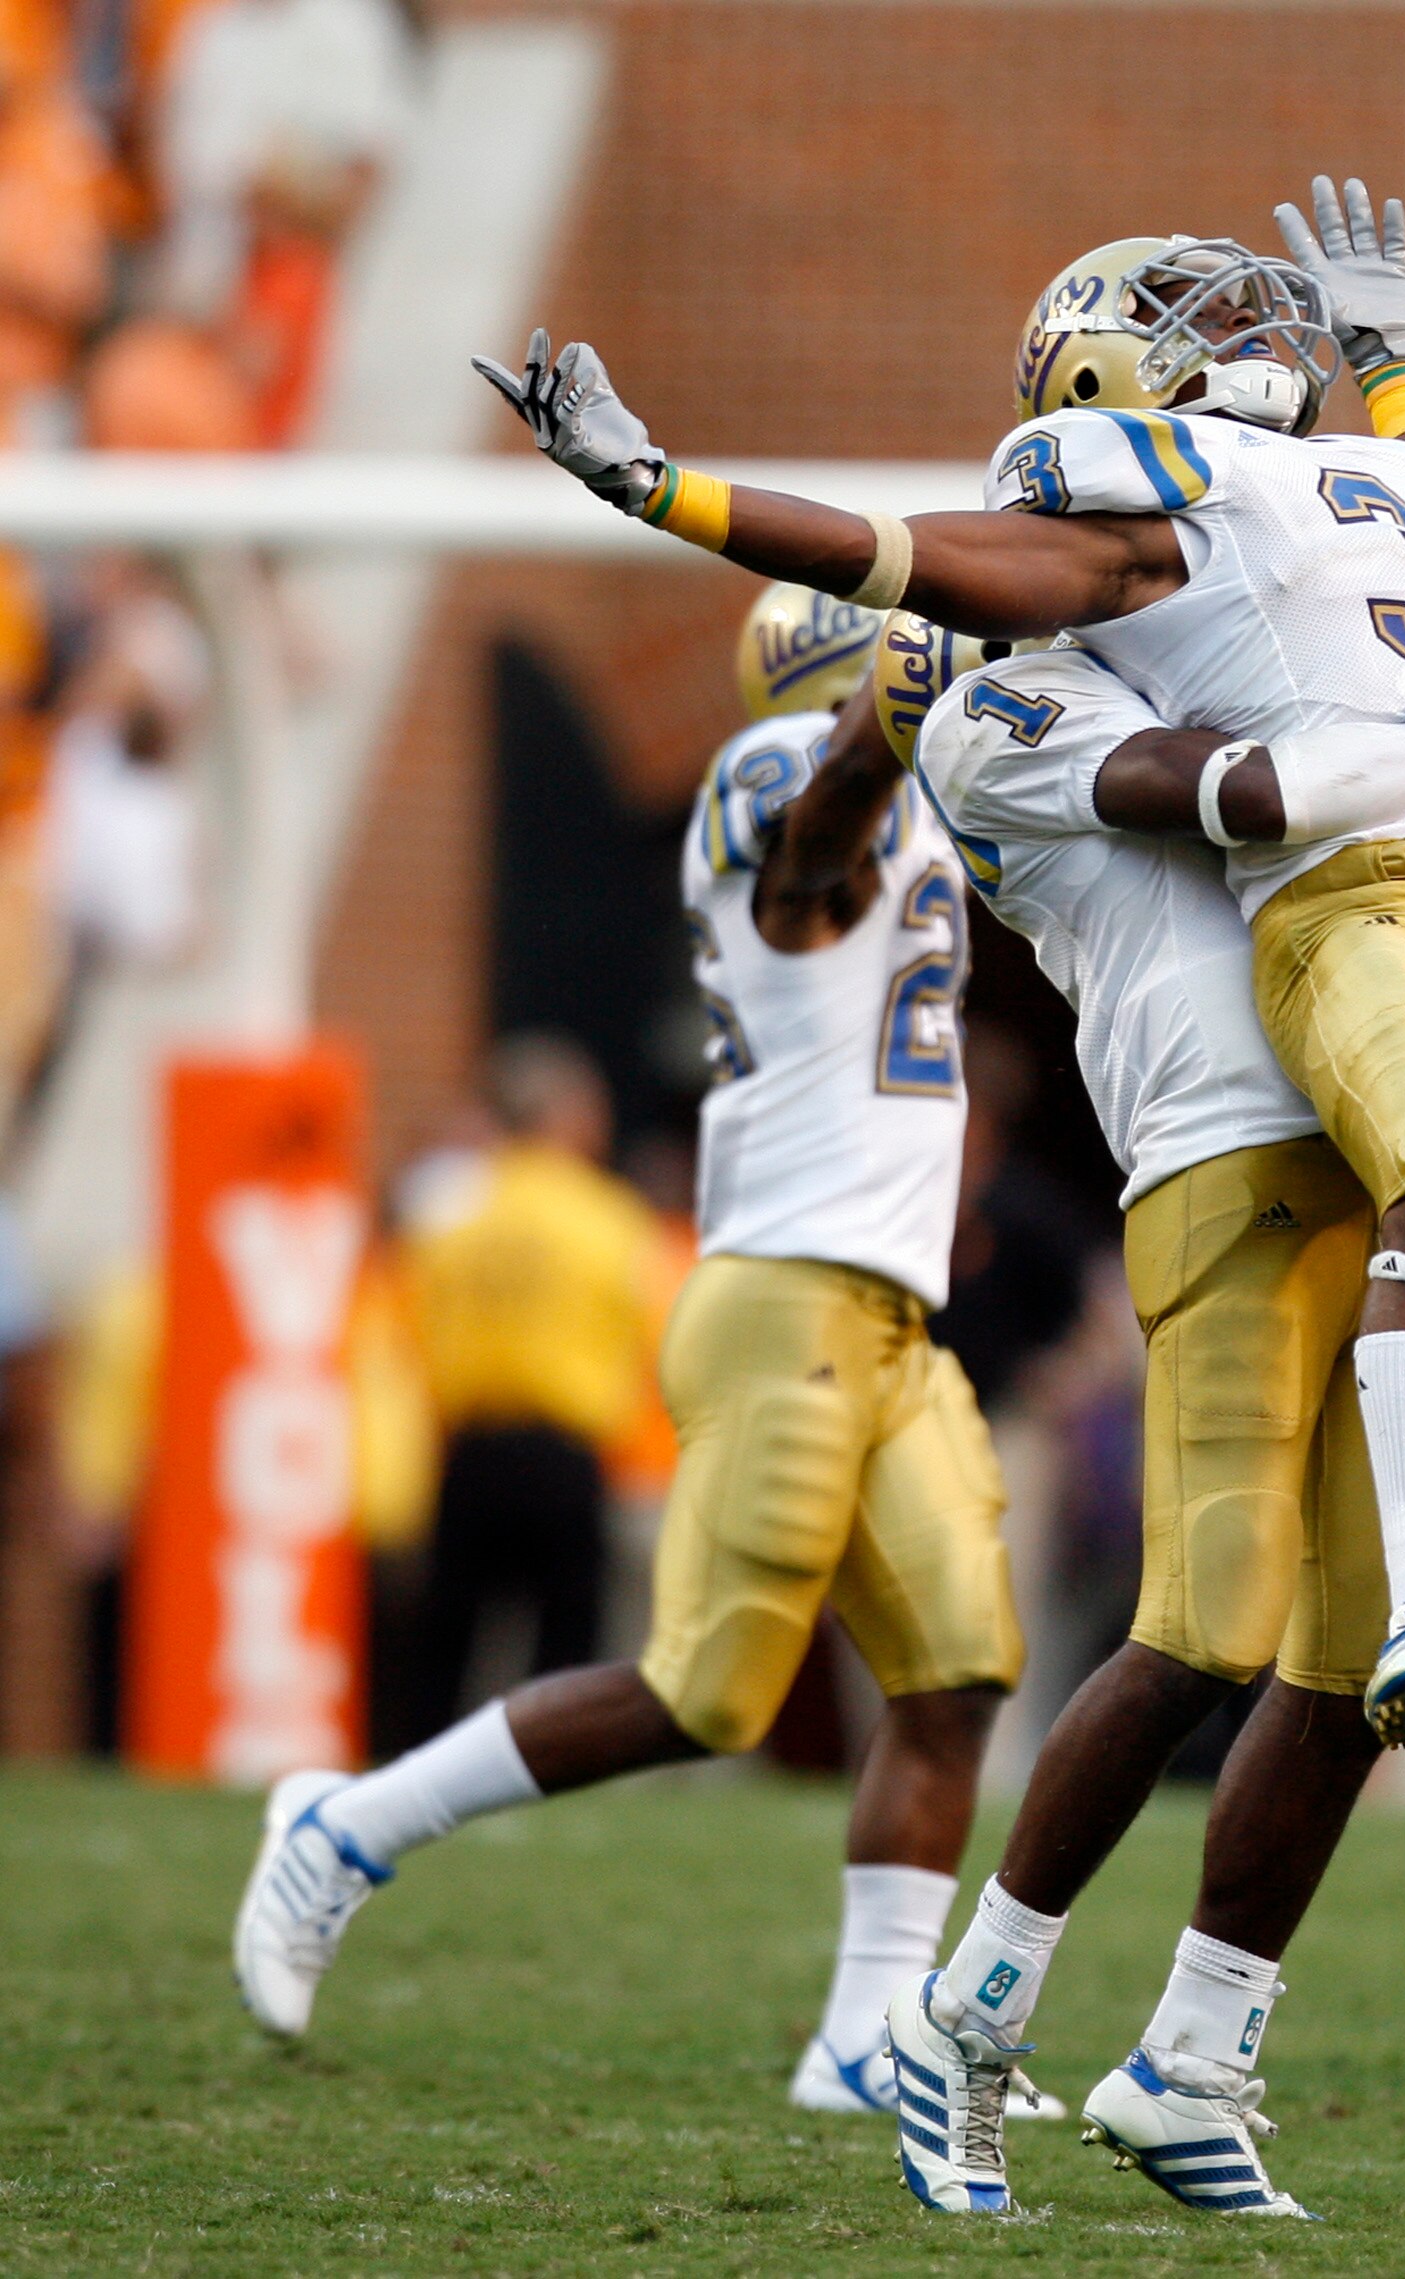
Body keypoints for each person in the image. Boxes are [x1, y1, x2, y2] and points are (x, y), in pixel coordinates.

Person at [473, 177, 1405, 1833]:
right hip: (1251, 1068)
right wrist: (665, 490)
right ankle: (989, 1975)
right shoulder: (1018, 664)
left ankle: (1209, 2006)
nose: (1240, 333)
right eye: (1177, 319)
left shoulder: (1298, 502)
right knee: (1178, 1626)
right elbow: (1206, 766)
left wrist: (1402, 367)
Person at [233, 589, 1036, 2139]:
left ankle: (870, 2030)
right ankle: (344, 1826)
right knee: (705, 1691)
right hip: (786, 1296)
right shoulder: (778, 776)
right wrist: (890, 711)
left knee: (958, 1671)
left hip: (888, 1313)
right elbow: (811, 865)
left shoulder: (911, 785)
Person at [852, 607, 1405, 2215]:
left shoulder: (1182, 651)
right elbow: (1240, 790)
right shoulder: (1002, 711)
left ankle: (1191, 2058)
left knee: (1358, 1662)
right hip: (1221, 1159)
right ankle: (962, 2012)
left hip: (1367, 1152)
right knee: (1207, 1623)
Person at [394, 1034, 660, 1741]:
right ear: (566, 1116)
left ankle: (415, 1783)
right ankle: (547, 1770)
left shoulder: (452, 1210)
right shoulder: (608, 1215)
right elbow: (646, 1331)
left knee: (449, 1639)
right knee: (564, 1640)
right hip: (562, 1451)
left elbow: (416, 1322)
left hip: (470, 1443)